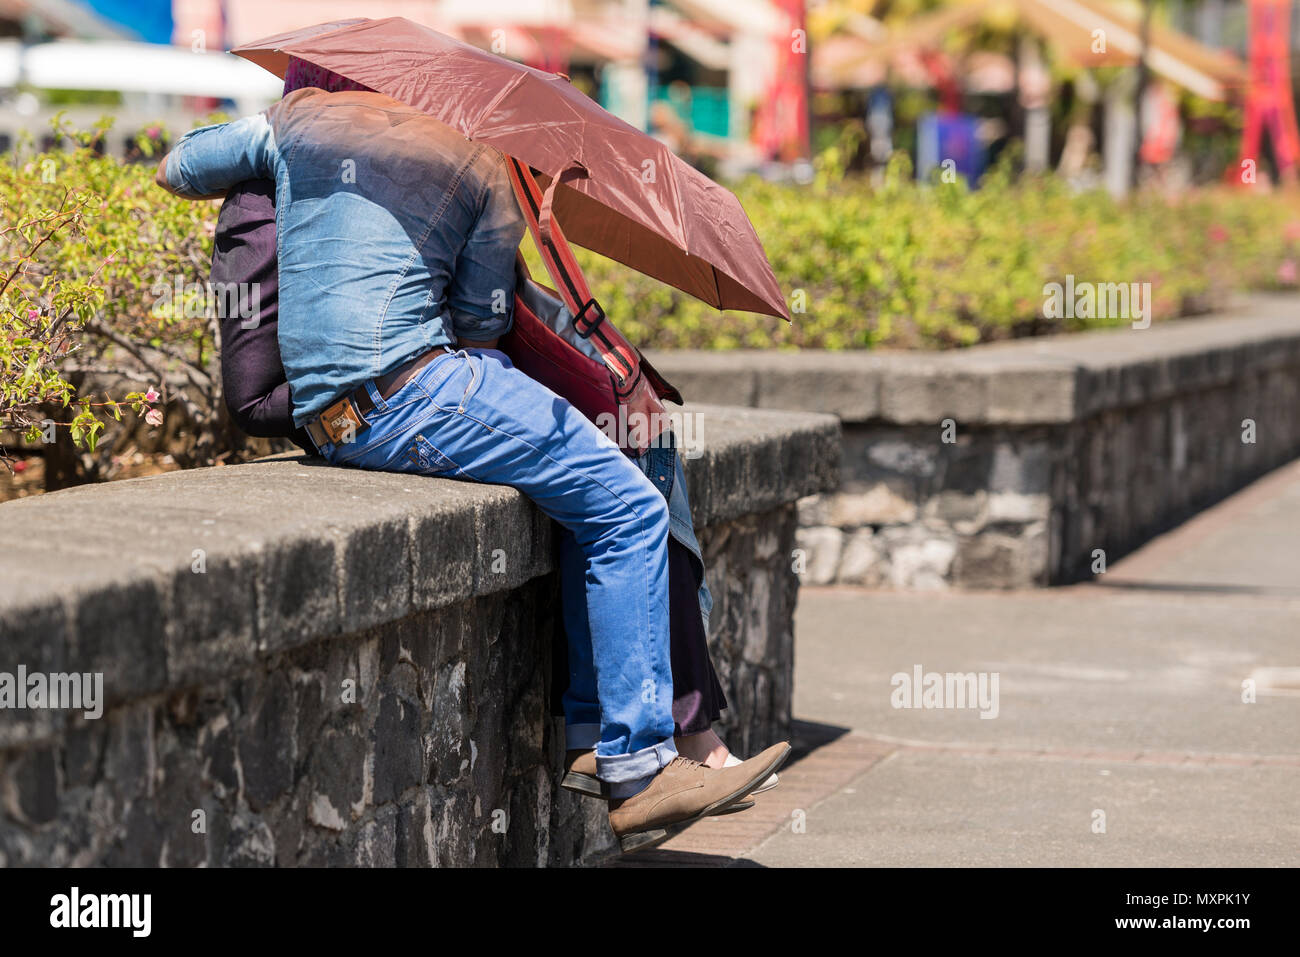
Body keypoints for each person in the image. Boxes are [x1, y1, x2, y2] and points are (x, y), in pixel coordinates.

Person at [157, 83, 789, 852]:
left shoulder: (294, 122)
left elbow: (178, 164)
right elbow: (478, 329)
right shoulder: (484, 161)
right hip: (415, 390)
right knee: (627, 504)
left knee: (593, 489)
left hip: (329, 420)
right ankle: (637, 763)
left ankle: (606, 740)